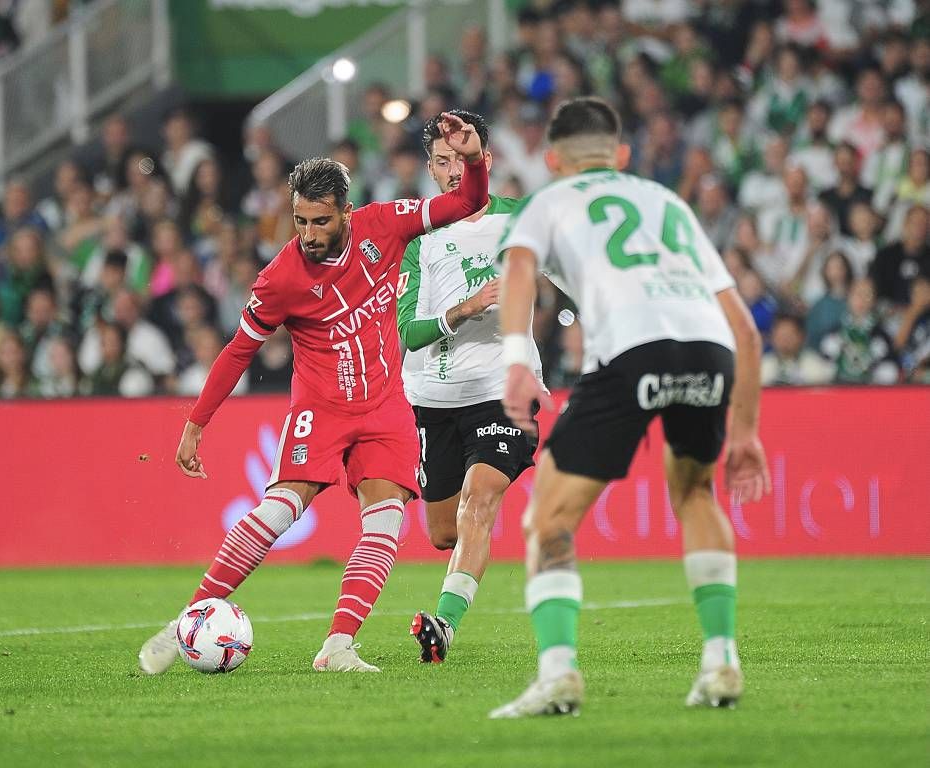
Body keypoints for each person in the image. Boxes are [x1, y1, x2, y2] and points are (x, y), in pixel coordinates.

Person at [137, 113, 489, 676]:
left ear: (346, 212)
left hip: (384, 407)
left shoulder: (385, 225)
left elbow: (464, 204)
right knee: (277, 511)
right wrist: (195, 423)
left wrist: (470, 160)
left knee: (385, 520)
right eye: (299, 221)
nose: (308, 233)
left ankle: (338, 647)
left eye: (320, 221)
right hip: (320, 409)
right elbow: (236, 351)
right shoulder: (281, 279)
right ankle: (189, 619)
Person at [491, 97, 770, 718]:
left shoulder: (549, 200)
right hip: (709, 349)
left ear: (551, 159)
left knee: (548, 520)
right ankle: (722, 660)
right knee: (696, 494)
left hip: (630, 350)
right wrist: (745, 434)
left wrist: (516, 359)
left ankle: (558, 675)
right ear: (620, 156)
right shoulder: (668, 202)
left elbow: (517, 272)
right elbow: (747, 333)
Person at [397, 110, 542, 664]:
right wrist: (468, 307)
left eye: (462, 158)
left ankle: (444, 627)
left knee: (478, 505)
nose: (452, 170)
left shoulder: (520, 219)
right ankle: (467, 558)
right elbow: (409, 332)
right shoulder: (418, 237)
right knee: (443, 531)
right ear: (430, 170)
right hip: (434, 400)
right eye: (441, 161)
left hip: (504, 389)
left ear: (482, 160)